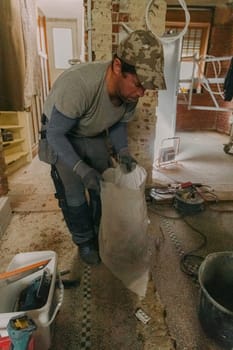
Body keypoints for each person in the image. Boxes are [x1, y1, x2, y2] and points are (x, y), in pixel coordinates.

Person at [39, 29, 166, 266]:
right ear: (118, 67)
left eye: (145, 87)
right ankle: (84, 241)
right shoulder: (80, 84)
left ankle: (99, 232)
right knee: (74, 192)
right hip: (62, 135)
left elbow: (116, 122)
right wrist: (80, 168)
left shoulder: (130, 94)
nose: (141, 93)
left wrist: (124, 152)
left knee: (103, 185)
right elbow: (56, 133)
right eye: (138, 84)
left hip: (91, 131)